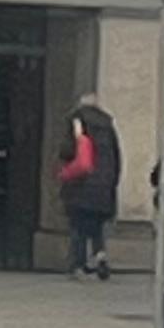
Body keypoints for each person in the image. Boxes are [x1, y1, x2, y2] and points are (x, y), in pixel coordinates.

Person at [57, 100, 121, 279]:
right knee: (96, 226)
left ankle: (78, 265)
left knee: (78, 226)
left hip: (81, 183)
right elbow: (117, 157)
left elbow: (68, 150)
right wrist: (111, 183)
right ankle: (100, 255)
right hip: (103, 185)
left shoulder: (77, 121)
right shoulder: (108, 125)